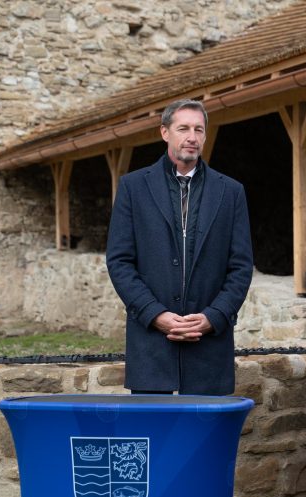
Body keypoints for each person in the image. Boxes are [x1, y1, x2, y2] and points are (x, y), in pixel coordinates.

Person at [106, 99, 253, 395]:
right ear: (165, 132)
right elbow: (119, 261)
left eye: (199, 129)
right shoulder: (133, 187)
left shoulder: (231, 191)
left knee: (204, 440)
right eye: (183, 128)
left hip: (209, 350)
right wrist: (154, 314)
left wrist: (214, 317)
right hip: (151, 347)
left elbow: (240, 267)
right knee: (152, 437)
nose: (192, 137)